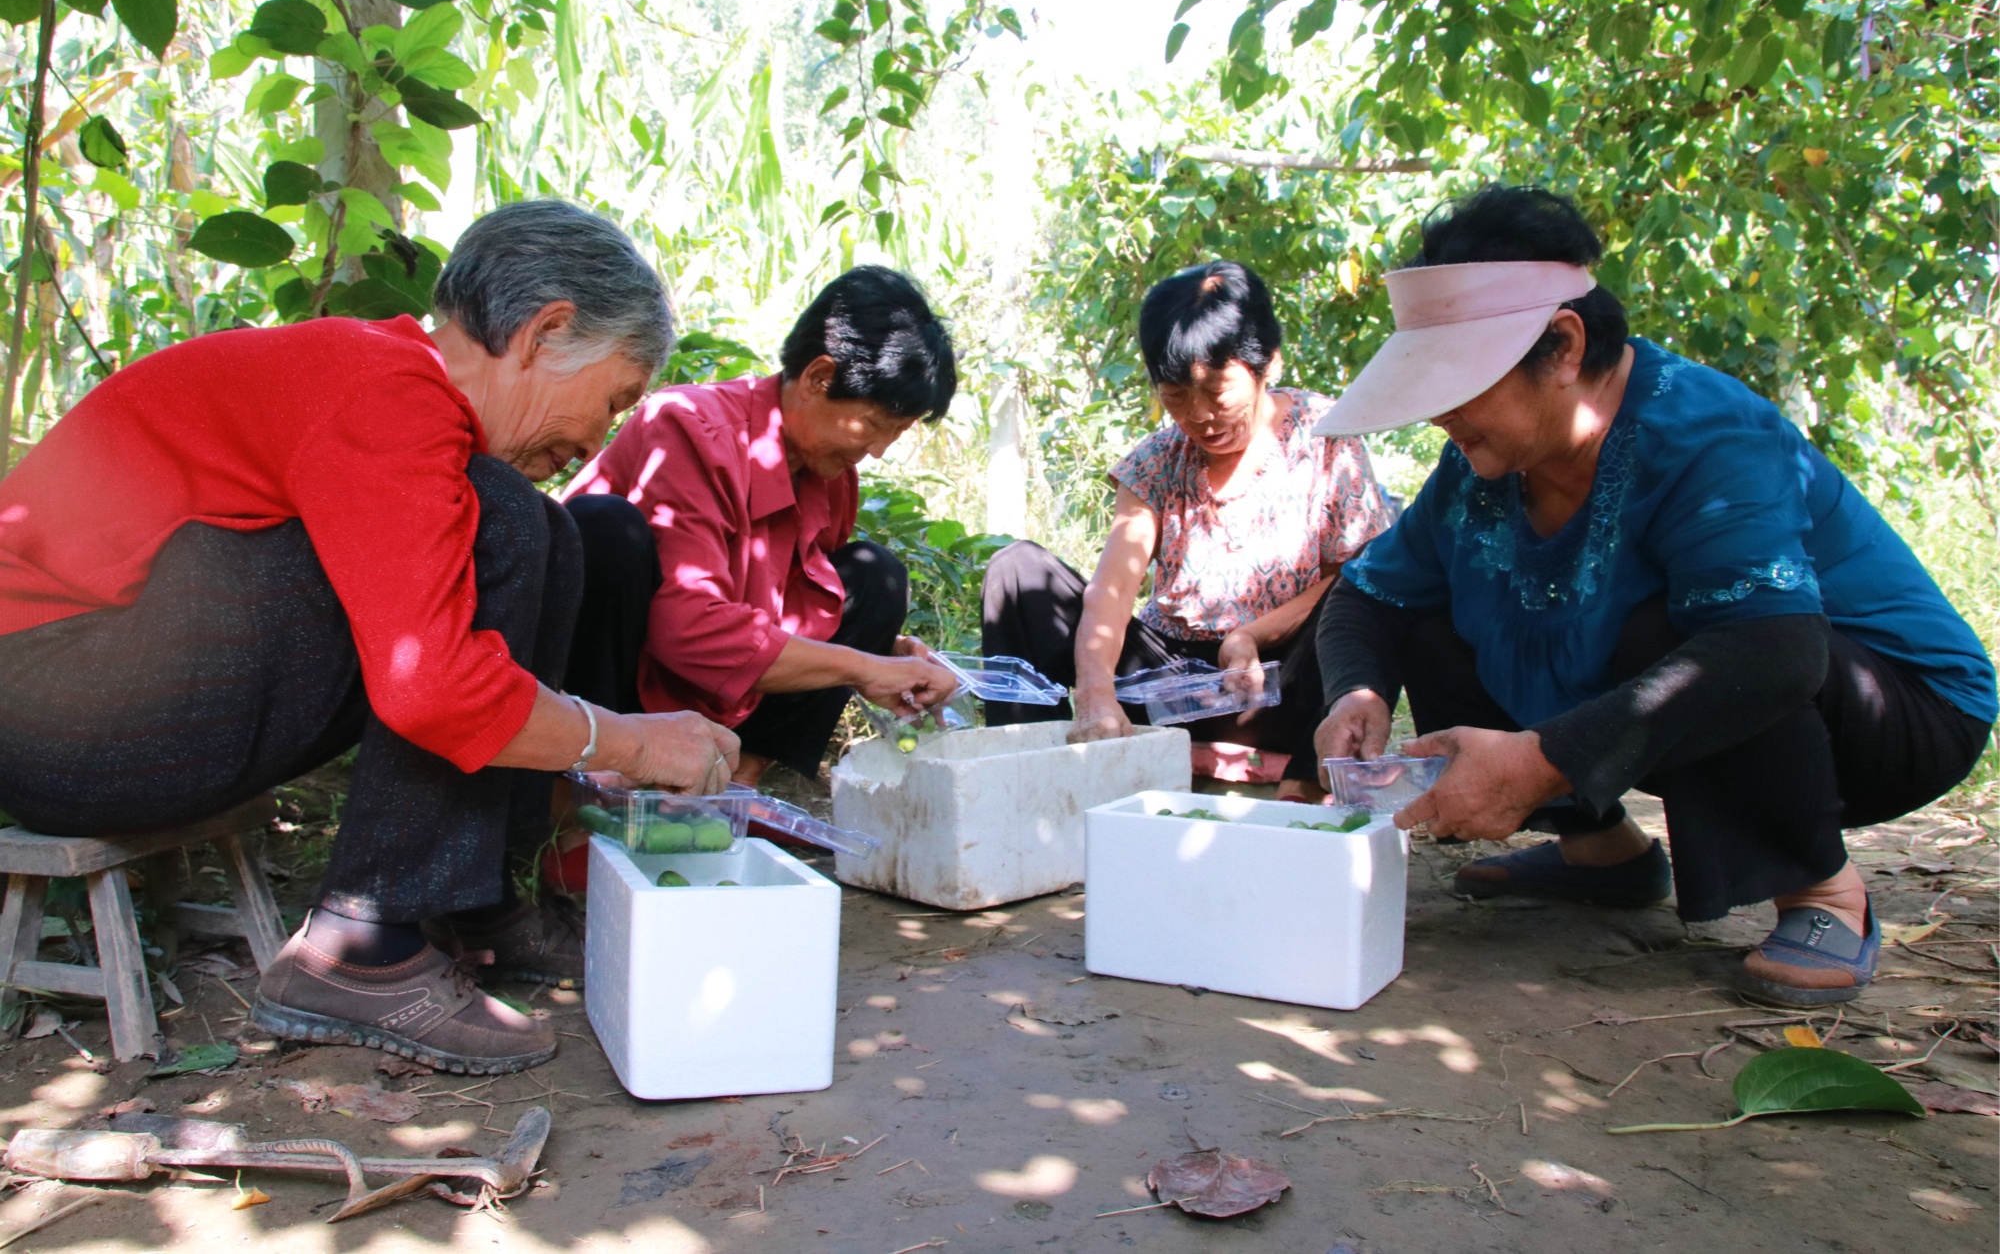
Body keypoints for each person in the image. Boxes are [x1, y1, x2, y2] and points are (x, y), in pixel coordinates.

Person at [0, 200, 741, 1074]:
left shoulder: (394, 386)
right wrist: (630, 739)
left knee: (545, 529)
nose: (597, 436)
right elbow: (428, 682)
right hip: (52, 717)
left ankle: (472, 905)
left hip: (104, 694)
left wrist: (582, 738)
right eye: (612, 399)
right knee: (498, 521)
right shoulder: (385, 390)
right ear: (546, 333)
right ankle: (365, 942)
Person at [1312, 185, 1995, 1007]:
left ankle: (1823, 891)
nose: (1438, 415)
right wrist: (1357, 688)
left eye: (1459, 383)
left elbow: (1775, 651)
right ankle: (1603, 853)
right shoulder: (1481, 468)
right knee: (1441, 615)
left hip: (1896, 711)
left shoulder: (1709, 436)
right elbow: (1371, 595)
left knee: (1682, 631)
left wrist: (1535, 764)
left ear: (1562, 347)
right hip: (1733, 685)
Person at [983, 261, 1393, 801]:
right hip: (1173, 687)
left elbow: (1357, 578)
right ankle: (1025, 783)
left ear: (1267, 362)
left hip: (1278, 686)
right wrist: (1097, 691)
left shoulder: (1329, 437)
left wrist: (1251, 635)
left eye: (1217, 391)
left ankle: (1306, 785)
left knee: (1368, 589)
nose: (1200, 416)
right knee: (1017, 573)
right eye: (1176, 395)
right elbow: (1113, 587)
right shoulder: (1156, 461)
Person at [561, 266, 961, 788]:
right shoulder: (687, 426)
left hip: (722, 687)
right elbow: (687, 628)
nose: (878, 450)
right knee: (604, 528)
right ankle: (579, 793)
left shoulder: (830, 473)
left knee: (873, 575)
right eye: (874, 425)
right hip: (623, 676)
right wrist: (861, 669)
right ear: (819, 378)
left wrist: (883, 654)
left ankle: (737, 782)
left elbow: (797, 601)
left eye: (896, 433)